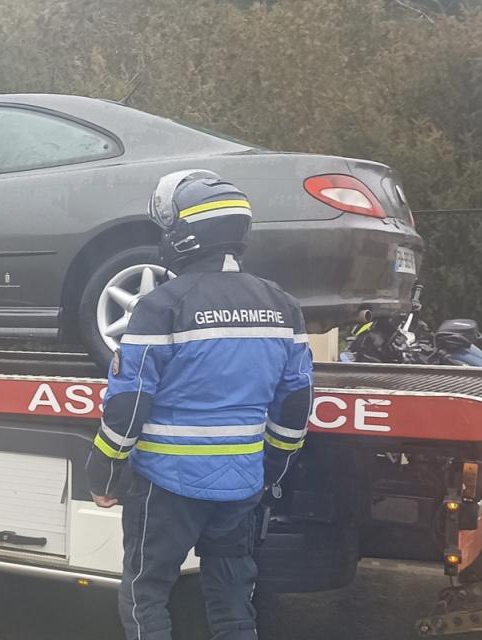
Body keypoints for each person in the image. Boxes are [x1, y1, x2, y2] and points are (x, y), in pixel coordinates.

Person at [86, 169, 313, 640]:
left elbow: (129, 404)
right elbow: (294, 404)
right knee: (232, 603)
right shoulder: (282, 305)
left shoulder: (162, 305)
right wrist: (268, 469)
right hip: (241, 483)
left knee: (146, 592)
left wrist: (103, 474)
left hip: (166, 486)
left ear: (185, 234)